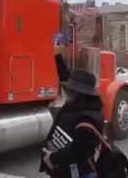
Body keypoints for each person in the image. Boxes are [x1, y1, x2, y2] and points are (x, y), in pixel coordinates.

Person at [39, 43, 104, 178]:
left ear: (80, 93)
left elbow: (79, 152)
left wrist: (52, 158)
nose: (67, 92)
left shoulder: (87, 118)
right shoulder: (79, 104)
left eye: (71, 90)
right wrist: (57, 56)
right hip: (67, 170)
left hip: (79, 173)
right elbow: (65, 77)